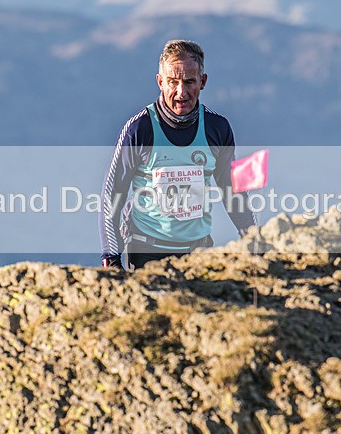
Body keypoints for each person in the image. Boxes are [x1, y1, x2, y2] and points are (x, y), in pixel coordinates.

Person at [99, 40, 257, 270]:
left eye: (189, 81)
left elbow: (233, 193)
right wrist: (111, 257)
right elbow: (111, 195)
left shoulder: (217, 128)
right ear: (160, 82)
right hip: (146, 250)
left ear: (202, 82)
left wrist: (255, 243)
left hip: (199, 252)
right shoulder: (139, 129)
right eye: (172, 82)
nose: (181, 92)